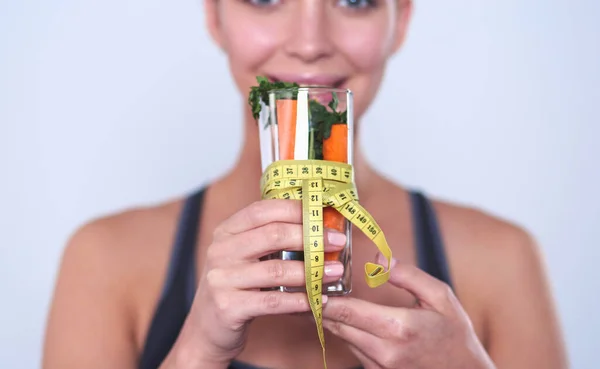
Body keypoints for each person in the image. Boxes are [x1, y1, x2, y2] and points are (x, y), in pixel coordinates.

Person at [42, 1, 568, 368]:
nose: (310, 43)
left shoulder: (503, 258)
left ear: (400, 20)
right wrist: (195, 354)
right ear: (215, 16)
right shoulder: (104, 259)